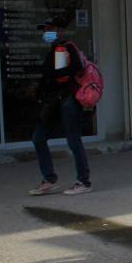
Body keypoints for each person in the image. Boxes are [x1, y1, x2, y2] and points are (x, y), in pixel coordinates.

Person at [29, 20, 92, 196]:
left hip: (67, 100)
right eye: (44, 30)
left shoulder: (65, 48)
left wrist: (54, 73)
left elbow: (72, 70)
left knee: (73, 140)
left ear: (60, 31)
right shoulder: (54, 50)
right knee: (38, 138)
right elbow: (51, 76)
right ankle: (49, 179)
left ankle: (83, 181)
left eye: (50, 29)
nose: (46, 33)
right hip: (52, 102)